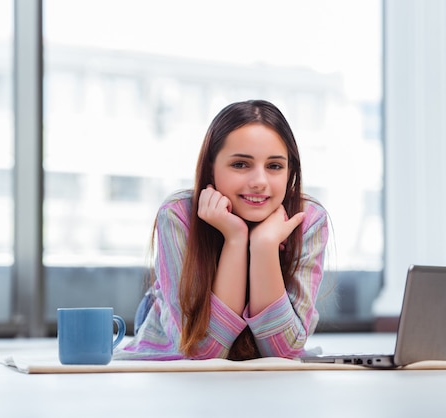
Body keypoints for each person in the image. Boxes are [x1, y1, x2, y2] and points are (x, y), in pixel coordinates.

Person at [117, 99, 329, 361]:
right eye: (240, 164)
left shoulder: (307, 219)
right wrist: (235, 238)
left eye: (274, 166)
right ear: (210, 169)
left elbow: (284, 352)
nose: (259, 182)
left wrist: (263, 247)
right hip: (166, 327)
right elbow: (203, 353)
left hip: (248, 344)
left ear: (290, 172)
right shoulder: (177, 214)